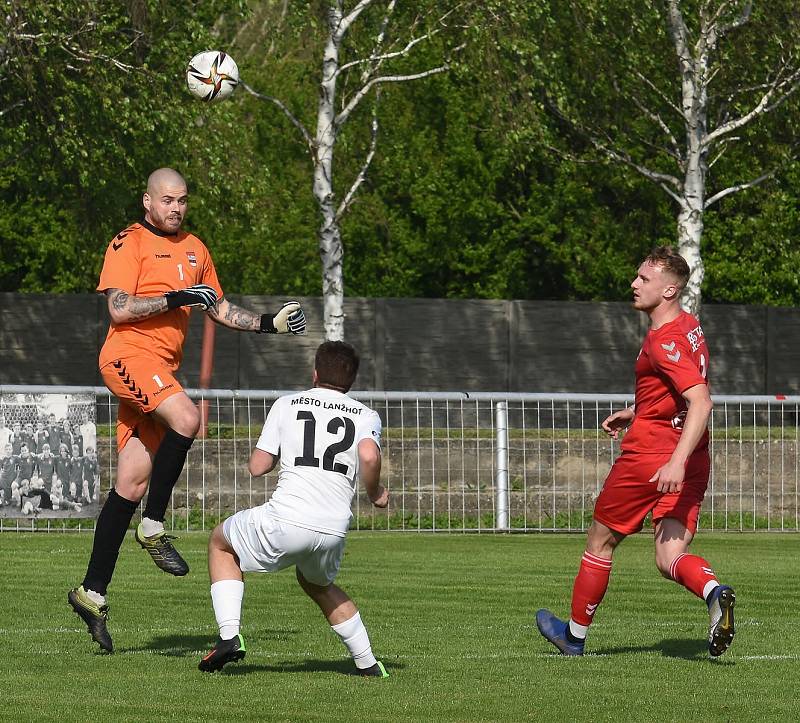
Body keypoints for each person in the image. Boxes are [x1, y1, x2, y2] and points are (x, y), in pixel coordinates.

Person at [68, 167, 307, 654]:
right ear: (147, 202)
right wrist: (175, 298)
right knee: (189, 419)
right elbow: (118, 307)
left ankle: (91, 592)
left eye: (183, 200)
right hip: (127, 357)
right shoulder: (127, 243)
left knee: (130, 482)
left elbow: (216, 306)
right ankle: (154, 525)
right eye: (168, 200)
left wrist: (268, 323)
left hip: (161, 371)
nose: (176, 208)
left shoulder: (197, 248)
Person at [536, 246, 735, 658]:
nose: (634, 284)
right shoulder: (689, 327)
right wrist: (638, 409)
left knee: (600, 539)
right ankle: (715, 593)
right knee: (669, 557)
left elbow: (701, 401)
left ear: (669, 290)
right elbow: (677, 394)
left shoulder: (664, 341)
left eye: (644, 279)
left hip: (655, 457)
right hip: (693, 453)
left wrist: (673, 461)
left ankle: (573, 637)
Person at [198, 341, 389, 677]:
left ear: (315, 372)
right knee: (318, 584)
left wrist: (267, 455)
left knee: (220, 543)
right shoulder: (365, 414)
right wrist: (375, 493)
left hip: (287, 519)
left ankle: (229, 636)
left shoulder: (287, 404)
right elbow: (370, 456)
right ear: (352, 380)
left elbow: (258, 466)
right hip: (333, 528)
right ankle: (368, 664)